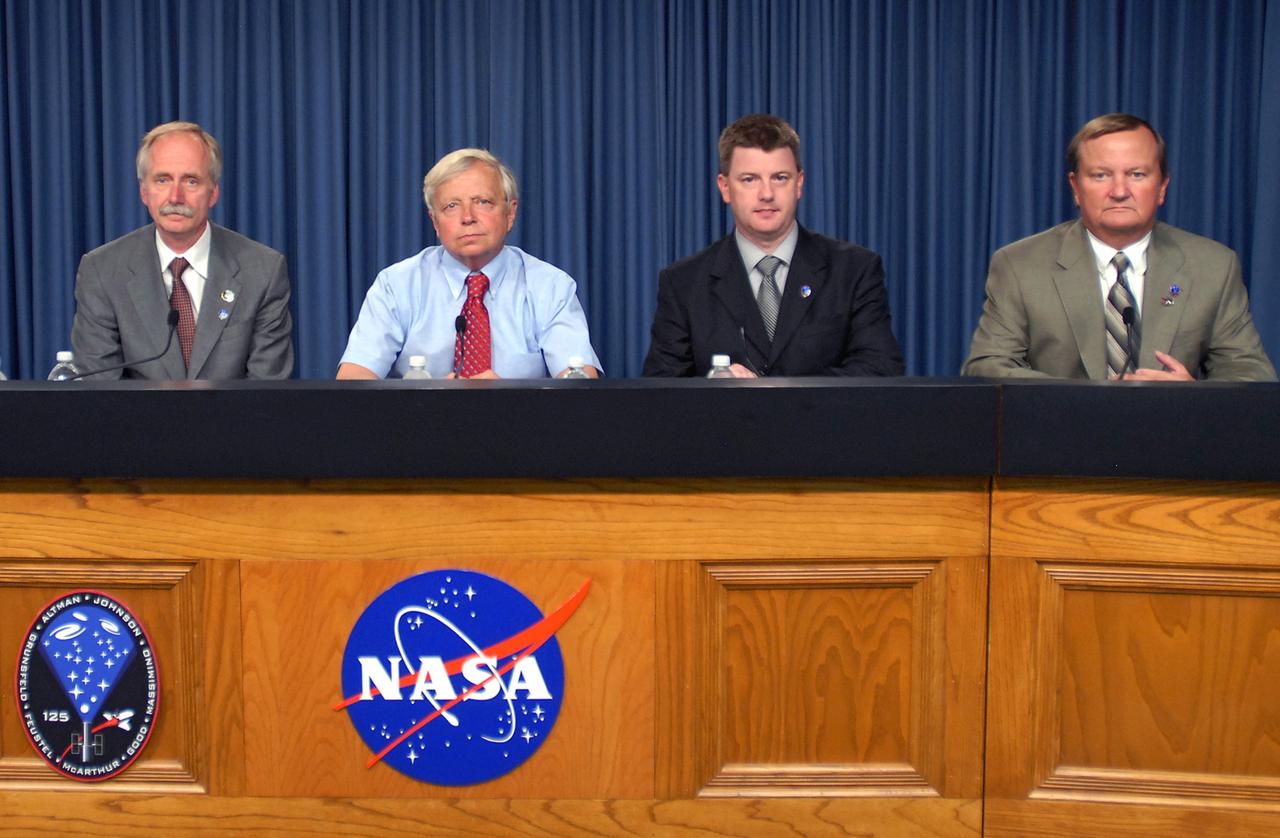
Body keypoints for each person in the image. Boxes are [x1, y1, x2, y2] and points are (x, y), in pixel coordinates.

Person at [964, 112, 1275, 381]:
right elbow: (986, 368)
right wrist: (1088, 399)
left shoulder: (1212, 266)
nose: (1119, 191)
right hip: (1059, 441)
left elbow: (1252, 376)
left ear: (1162, 186)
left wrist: (1190, 395)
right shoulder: (1020, 265)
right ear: (1075, 187)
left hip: (1174, 441)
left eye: (1136, 174)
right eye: (1101, 175)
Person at [642, 113, 904, 377]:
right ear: (724, 187)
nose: (766, 194)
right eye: (749, 179)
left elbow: (880, 369)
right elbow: (660, 393)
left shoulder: (854, 271)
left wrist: (779, 397)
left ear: (798, 184)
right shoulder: (683, 284)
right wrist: (715, 390)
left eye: (780, 178)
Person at [337, 148, 600, 379]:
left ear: (510, 213)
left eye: (482, 202)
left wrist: (510, 403)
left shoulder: (550, 286)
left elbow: (578, 386)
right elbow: (354, 379)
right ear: (435, 222)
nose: (468, 217)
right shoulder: (397, 285)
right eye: (451, 206)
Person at [71, 121, 294, 379]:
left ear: (213, 193)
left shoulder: (263, 271)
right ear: (144, 192)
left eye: (191, 181)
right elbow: (100, 394)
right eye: (162, 180)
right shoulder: (102, 272)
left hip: (234, 420)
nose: (175, 197)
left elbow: (266, 396)